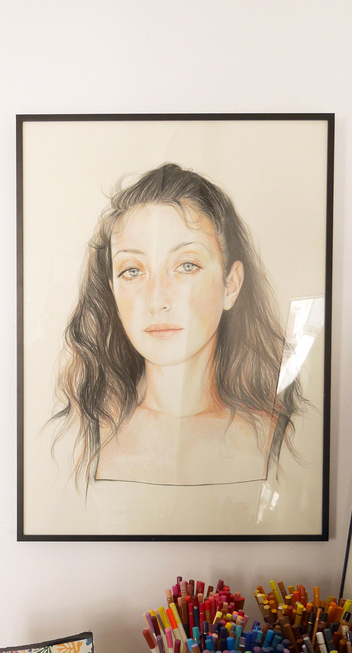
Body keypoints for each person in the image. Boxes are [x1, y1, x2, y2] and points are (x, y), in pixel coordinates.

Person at [51, 162, 305, 488]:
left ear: (230, 285)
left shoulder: (280, 438)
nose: (157, 300)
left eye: (186, 266)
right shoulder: (82, 439)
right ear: (113, 291)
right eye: (132, 271)